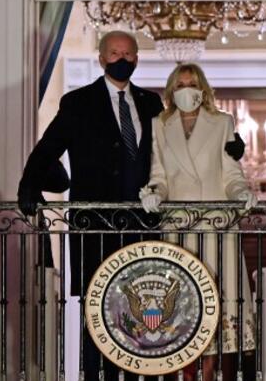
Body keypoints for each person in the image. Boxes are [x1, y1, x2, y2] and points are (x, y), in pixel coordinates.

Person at [16, 30, 163, 381]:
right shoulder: (78, 102)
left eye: (128, 54)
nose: (122, 59)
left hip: (141, 225)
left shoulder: (151, 102)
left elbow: (169, 151)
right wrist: (29, 185)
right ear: (101, 59)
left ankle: (137, 375)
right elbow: (48, 147)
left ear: (137, 59)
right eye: (114, 53)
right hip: (93, 224)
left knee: (140, 305)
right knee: (96, 307)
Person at [140, 63, 256, 380]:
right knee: (183, 304)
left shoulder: (222, 122)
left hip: (217, 227)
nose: (186, 90)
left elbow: (232, 175)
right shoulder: (159, 125)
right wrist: (153, 194)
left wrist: (243, 193)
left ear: (203, 89)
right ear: (171, 90)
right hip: (179, 228)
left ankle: (220, 373)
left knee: (223, 302)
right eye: (179, 85)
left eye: (192, 84)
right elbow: (159, 176)